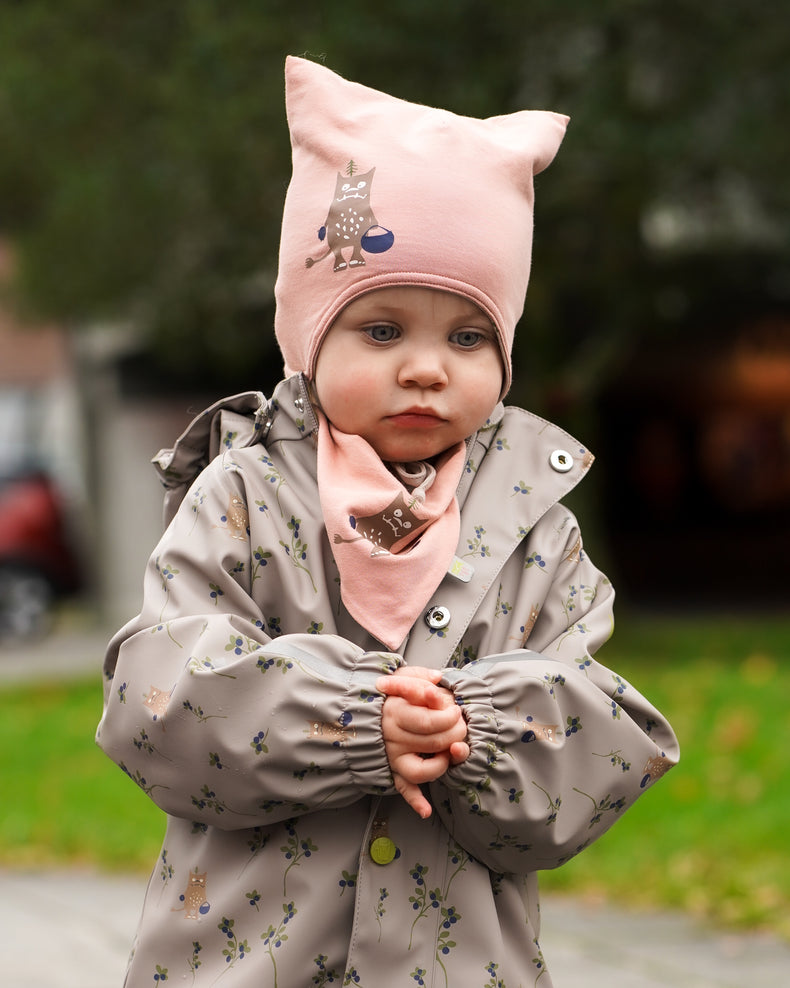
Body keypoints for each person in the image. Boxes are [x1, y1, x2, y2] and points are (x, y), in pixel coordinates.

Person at [97, 56, 678, 987]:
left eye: (467, 336)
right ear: (308, 337)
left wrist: (471, 733)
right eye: (381, 330)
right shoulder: (243, 499)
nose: (426, 368)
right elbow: (159, 701)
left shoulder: (538, 534)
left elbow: (589, 753)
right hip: (246, 963)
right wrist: (352, 719)